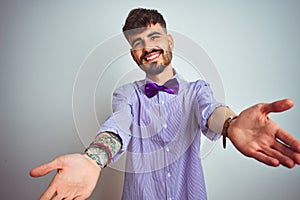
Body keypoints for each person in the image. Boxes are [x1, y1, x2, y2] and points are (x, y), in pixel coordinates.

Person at [30, 8, 300, 200]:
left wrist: (231, 124)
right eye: (138, 42)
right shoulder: (126, 95)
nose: (147, 47)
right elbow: (118, 127)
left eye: (154, 37)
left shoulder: (197, 91)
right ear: (133, 54)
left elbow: (211, 112)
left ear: (169, 41)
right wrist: (93, 159)